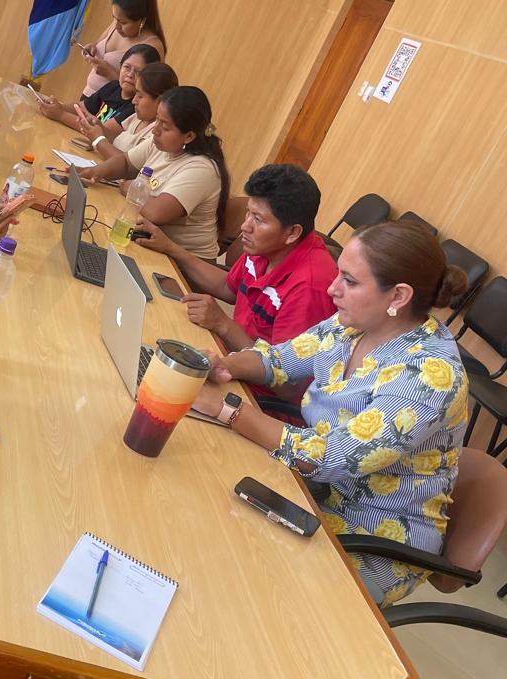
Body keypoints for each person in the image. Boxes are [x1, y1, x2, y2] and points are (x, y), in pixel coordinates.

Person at [189, 221, 470, 606]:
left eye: (350, 281)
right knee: (206, 516)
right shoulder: (352, 324)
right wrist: (225, 365)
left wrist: (228, 411)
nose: (332, 289)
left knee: (247, 581)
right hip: (313, 492)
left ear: (399, 295)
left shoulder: (431, 376)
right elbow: (281, 360)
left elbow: (331, 459)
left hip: (375, 536)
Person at [136, 164, 337, 415]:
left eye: (258, 219)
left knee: (155, 402)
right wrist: (171, 248)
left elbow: (287, 385)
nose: (245, 226)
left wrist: (223, 325)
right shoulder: (266, 247)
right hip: (225, 363)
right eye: (248, 213)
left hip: (254, 401)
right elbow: (227, 287)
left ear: (292, 233)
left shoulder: (311, 286)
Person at [80, 87, 228, 259]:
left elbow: (156, 213)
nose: (155, 130)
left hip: (181, 262)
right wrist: (96, 171)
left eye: (164, 126)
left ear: (188, 136)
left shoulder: (202, 169)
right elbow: (126, 163)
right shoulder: (161, 143)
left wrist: (131, 188)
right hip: (149, 242)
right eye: (157, 119)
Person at [37, 43, 161, 135]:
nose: (130, 74)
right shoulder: (113, 86)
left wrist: (60, 114)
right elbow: (80, 108)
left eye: (138, 72)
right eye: (127, 67)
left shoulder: (136, 105)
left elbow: (103, 131)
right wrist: (56, 105)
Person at [76, 0, 166, 99]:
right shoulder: (116, 24)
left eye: (123, 22)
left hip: (112, 105)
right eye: (114, 18)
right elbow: (98, 44)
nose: (117, 26)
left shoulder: (152, 45)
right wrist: (92, 47)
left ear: (141, 21)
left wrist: (110, 73)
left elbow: (148, 91)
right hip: (88, 97)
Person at [73, 62, 178, 161]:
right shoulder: (137, 117)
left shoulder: (156, 133)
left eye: (140, 96)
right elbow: (116, 140)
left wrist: (98, 139)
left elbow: (128, 164)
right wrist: (99, 126)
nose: (134, 101)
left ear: (160, 101)